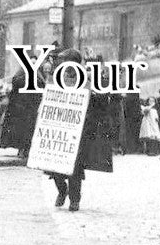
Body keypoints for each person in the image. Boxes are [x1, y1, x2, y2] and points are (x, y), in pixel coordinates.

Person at [44, 49, 115, 211]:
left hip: (80, 130)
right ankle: (62, 190)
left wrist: (95, 96)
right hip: (59, 128)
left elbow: (102, 104)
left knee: (75, 167)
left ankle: (75, 199)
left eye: (64, 61)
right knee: (54, 166)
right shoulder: (57, 79)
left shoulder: (88, 80)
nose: (61, 64)